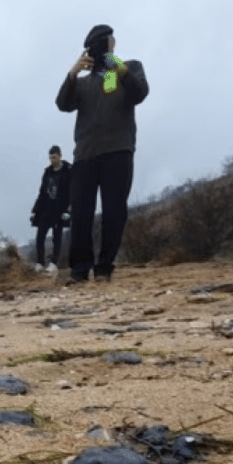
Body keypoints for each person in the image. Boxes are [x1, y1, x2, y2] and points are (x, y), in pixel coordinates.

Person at [56, 24, 149, 284]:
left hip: (118, 151)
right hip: (85, 155)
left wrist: (113, 61)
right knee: (81, 213)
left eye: (105, 42)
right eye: (96, 45)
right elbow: (63, 104)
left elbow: (139, 92)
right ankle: (79, 270)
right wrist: (73, 73)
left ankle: (105, 267)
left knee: (114, 211)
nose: (101, 47)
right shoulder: (83, 83)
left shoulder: (124, 68)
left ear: (113, 43)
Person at [30, 145, 71, 273]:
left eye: (54, 157)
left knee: (57, 236)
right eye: (50, 158)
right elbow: (42, 191)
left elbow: (72, 191)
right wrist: (35, 209)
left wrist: (69, 210)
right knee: (40, 235)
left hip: (61, 209)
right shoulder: (47, 172)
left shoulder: (69, 170)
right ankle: (40, 262)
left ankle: (54, 263)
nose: (52, 160)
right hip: (46, 208)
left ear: (60, 156)